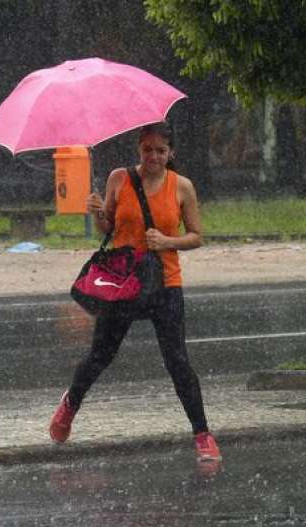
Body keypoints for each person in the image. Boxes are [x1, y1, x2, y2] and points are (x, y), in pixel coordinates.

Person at [49, 122, 221, 467]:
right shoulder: (119, 178)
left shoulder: (182, 187)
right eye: (148, 149)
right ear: (139, 151)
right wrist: (98, 213)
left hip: (165, 284)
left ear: (171, 153)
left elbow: (197, 236)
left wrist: (169, 242)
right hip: (123, 282)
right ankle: (70, 404)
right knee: (101, 355)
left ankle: (202, 435)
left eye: (161, 150)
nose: (154, 156)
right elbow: (109, 230)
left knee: (177, 362)